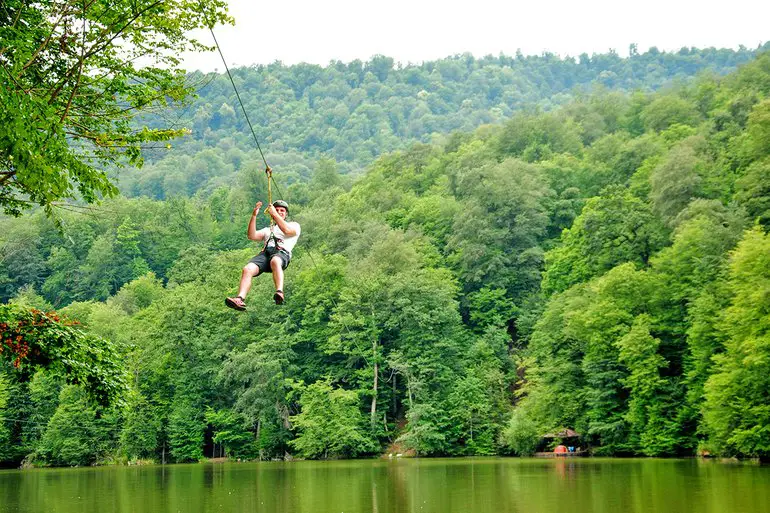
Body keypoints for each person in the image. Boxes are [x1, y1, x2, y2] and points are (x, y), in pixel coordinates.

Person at [225, 200, 300, 310]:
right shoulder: (268, 230)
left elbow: (287, 231)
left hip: (281, 252)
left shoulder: (294, 225)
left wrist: (274, 213)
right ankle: (240, 298)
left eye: (282, 211)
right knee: (247, 269)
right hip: (266, 253)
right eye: (277, 210)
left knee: (275, 260)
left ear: (286, 214)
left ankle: (279, 291)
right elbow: (252, 236)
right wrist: (254, 216)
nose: (279, 212)